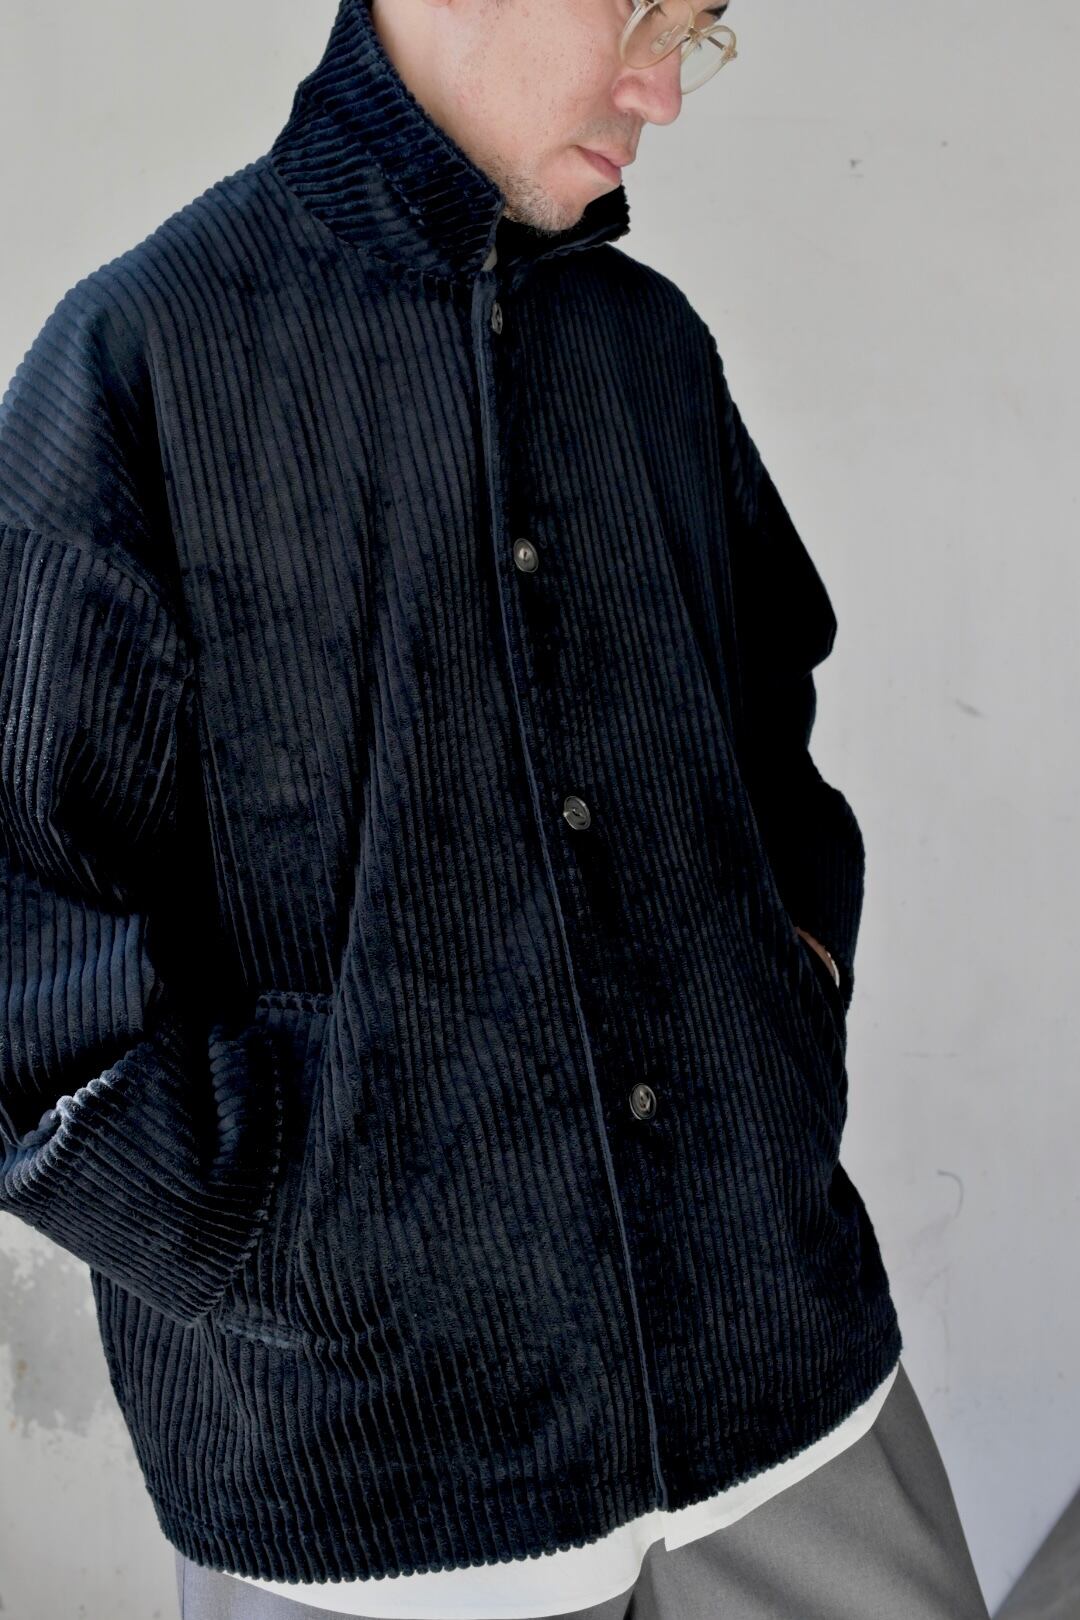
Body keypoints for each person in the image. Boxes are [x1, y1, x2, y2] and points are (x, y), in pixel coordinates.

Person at [0, 0, 991, 1615]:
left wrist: (790, 991)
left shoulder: (649, 347)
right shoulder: (141, 360)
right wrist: (290, 1235)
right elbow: (18, 939)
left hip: (791, 1391)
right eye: (646, 14)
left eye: (700, 33)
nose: (666, 90)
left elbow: (769, 717)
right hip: (380, 1502)